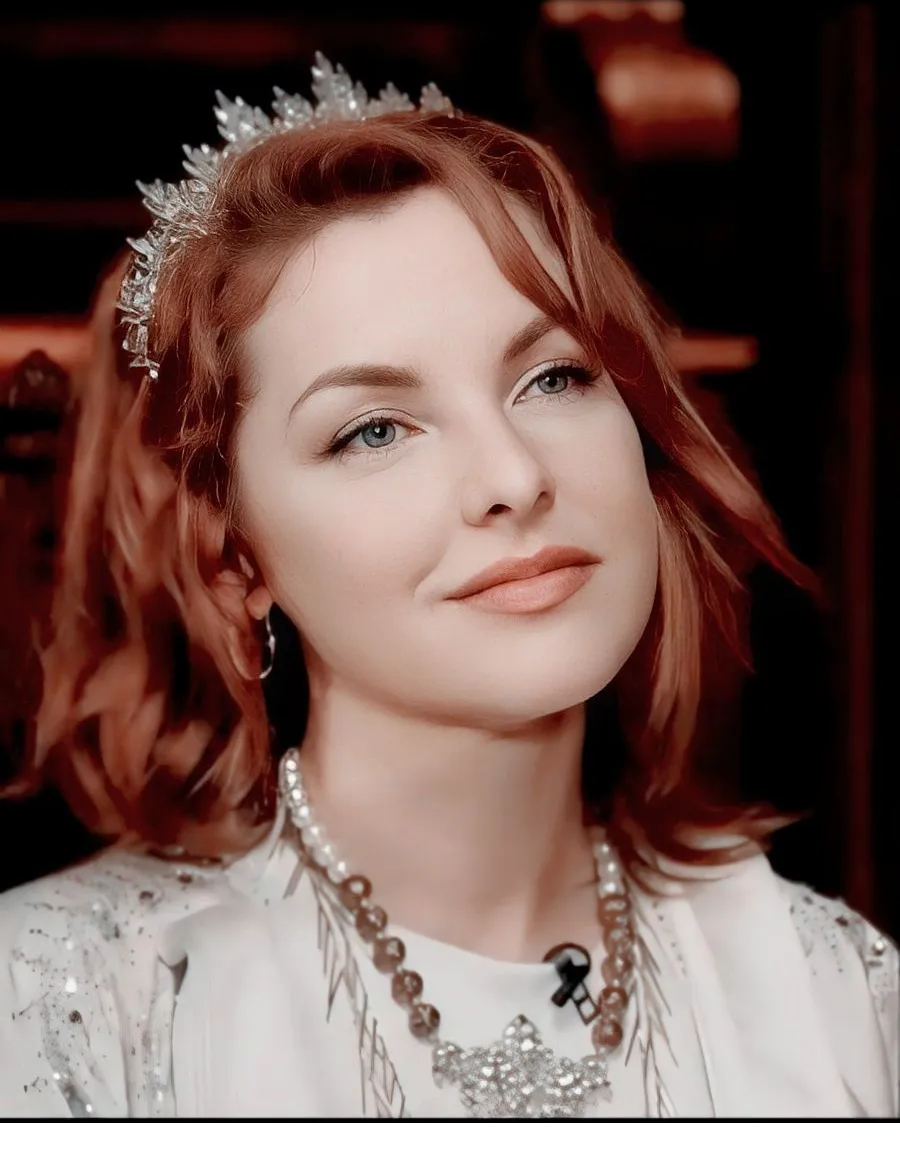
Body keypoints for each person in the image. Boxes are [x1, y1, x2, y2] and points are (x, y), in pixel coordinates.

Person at [0, 55, 895, 1120]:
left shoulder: (836, 996)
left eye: (554, 376)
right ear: (233, 558)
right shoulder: (63, 1005)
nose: (514, 476)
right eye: (375, 430)